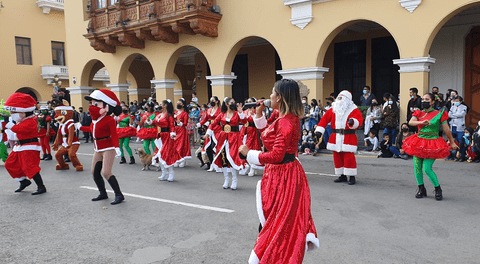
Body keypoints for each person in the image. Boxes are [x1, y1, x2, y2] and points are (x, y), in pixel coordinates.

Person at [239, 79, 319, 263]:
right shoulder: (287, 118)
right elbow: (271, 142)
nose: (270, 96)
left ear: (280, 97)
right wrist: (259, 117)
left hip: (284, 178)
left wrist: (249, 154)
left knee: (277, 226)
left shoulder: (285, 122)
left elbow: (276, 155)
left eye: (272, 92)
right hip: (284, 174)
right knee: (276, 224)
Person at [403, 93, 458, 200]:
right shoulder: (419, 112)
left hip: (433, 143)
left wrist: (452, 142)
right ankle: (421, 188)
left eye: (427, 99)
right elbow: (411, 122)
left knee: (427, 169)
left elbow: (446, 129)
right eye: (423, 99)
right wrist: (421, 122)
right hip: (419, 142)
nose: (424, 101)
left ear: (432, 101)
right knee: (417, 168)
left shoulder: (439, 113)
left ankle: (437, 189)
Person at [79, 89, 125, 205]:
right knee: (94, 172)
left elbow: (114, 134)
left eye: (96, 103)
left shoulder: (109, 119)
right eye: (92, 103)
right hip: (97, 148)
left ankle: (119, 194)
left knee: (106, 172)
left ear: (106, 106)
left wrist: (117, 147)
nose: (92, 106)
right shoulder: (95, 120)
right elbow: (90, 130)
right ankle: (102, 193)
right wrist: (79, 127)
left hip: (108, 147)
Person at [315, 90, 363, 185]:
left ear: (347, 99)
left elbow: (359, 120)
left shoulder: (354, 109)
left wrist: (352, 122)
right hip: (335, 136)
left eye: (342, 98)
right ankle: (342, 175)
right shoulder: (334, 108)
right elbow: (324, 119)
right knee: (337, 157)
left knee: (349, 157)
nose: (339, 100)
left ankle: (351, 176)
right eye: (339, 98)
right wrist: (319, 131)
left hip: (348, 136)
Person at [3, 93, 47, 195]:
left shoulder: (31, 121)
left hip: (29, 146)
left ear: (24, 112)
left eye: (14, 111)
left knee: (29, 166)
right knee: (10, 164)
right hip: (20, 147)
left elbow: (20, 130)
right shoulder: (22, 120)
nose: (12, 113)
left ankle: (41, 186)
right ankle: (23, 181)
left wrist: (9, 124)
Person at [207, 97, 246, 189]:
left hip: (234, 139)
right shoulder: (222, 114)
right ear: (226, 104)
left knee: (232, 157)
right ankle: (226, 179)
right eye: (231, 102)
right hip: (223, 138)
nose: (233, 104)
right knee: (224, 158)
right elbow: (213, 123)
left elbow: (244, 121)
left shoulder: (237, 114)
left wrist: (241, 112)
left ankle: (234, 180)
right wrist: (208, 132)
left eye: (234, 102)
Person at [152, 100, 183, 182]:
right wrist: (148, 121)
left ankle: (171, 173)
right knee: (159, 155)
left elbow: (172, 125)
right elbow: (154, 122)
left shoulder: (169, 116)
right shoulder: (158, 115)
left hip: (167, 137)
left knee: (166, 154)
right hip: (159, 137)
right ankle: (164, 173)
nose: (160, 105)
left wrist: (172, 133)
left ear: (165, 106)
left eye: (161, 104)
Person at [240, 97, 264, 177]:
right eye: (248, 101)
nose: (249, 103)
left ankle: (252, 168)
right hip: (245, 132)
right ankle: (245, 166)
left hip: (253, 132)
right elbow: (241, 119)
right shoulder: (245, 111)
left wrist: (254, 116)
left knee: (252, 149)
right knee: (243, 148)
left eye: (251, 102)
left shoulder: (256, 112)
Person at [197, 96, 222, 171]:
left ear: (217, 101)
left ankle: (219, 164)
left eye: (213, 100)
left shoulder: (220, 110)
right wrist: (198, 124)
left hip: (218, 129)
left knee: (216, 147)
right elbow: (205, 119)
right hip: (210, 130)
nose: (211, 102)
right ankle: (211, 164)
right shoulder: (208, 110)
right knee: (207, 148)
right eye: (210, 100)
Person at [174, 98, 191, 167]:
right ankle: (176, 159)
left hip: (182, 130)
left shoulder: (185, 114)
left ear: (183, 105)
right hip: (175, 130)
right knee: (175, 145)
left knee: (181, 146)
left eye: (180, 103)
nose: (178, 104)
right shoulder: (175, 113)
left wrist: (179, 123)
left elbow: (185, 123)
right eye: (177, 103)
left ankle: (182, 160)